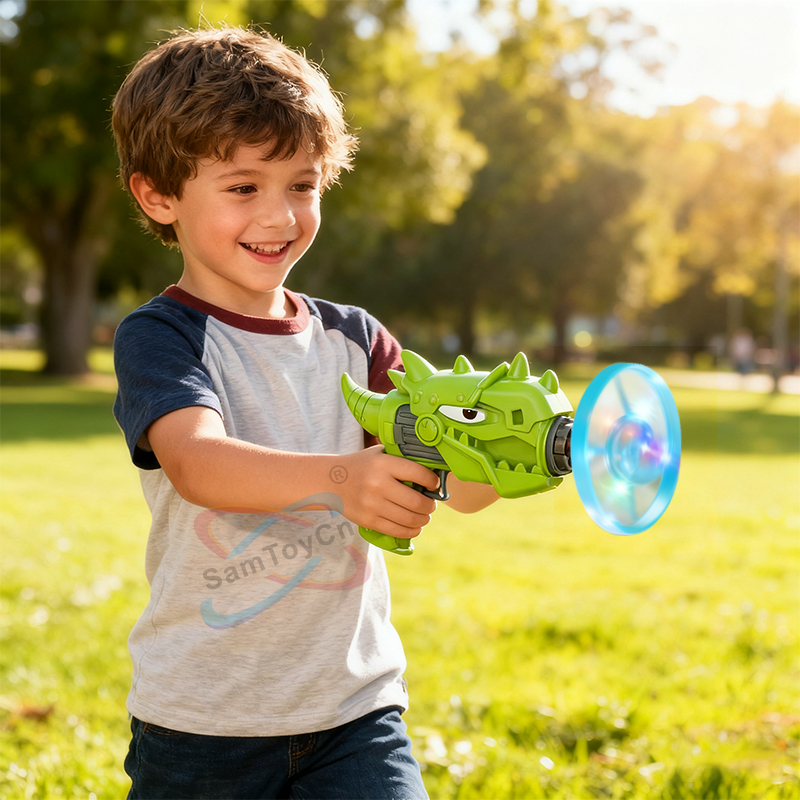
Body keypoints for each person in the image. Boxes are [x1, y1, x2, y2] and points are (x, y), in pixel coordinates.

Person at [110, 26, 497, 799]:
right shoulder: (163, 337)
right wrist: (345, 476)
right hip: (201, 722)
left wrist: (524, 453)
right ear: (158, 195)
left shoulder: (356, 338)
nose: (281, 215)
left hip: (355, 712)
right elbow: (197, 461)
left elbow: (460, 486)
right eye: (244, 186)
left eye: (303, 184)